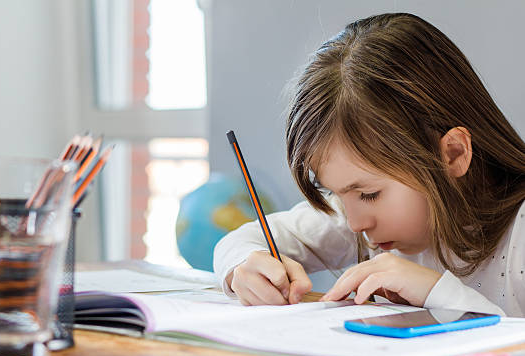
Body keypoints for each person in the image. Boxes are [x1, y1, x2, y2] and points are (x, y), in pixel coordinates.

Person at [213, 13, 525, 316]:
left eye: (369, 194)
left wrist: (437, 293)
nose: (354, 223)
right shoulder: (357, 218)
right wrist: (242, 267)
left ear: (453, 154)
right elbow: (240, 240)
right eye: (335, 192)